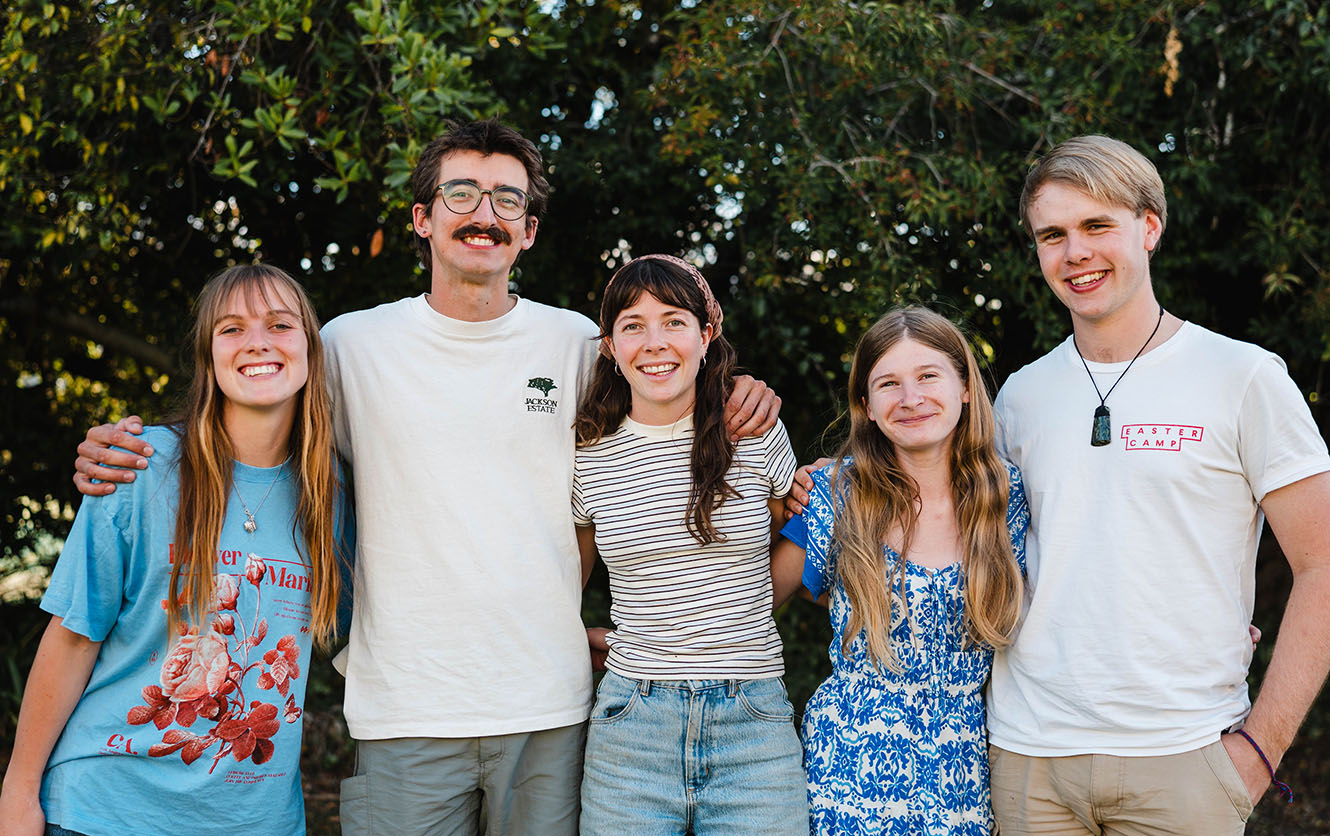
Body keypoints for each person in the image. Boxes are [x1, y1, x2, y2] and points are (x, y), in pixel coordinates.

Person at [69, 119, 780, 836]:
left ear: (528, 230)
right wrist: (147, 444)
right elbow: (257, 419)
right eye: (462, 193)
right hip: (403, 707)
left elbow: (667, 407)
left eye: (507, 201)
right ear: (423, 218)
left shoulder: (577, 345)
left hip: (546, 706)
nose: (484, 214)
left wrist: (742, 391)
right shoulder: (351, 344)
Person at [987, 134, 1330, 835]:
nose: (1074, 253)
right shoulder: (1020, 397)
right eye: (1052, 235)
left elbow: (1324, 564)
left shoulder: (1244, 378)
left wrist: (1258, 752)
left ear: (1149, 227)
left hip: (1184, 759)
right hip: (1029, 760)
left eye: (1095, 226)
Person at [0, 265, 350, 836]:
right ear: (208, 357)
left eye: (280, 324)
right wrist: (18, 791)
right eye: (231, 329)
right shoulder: (139, 468)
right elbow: (71, 637)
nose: (257, 341)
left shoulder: (329, 493)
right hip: (106, 809)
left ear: (311, 347)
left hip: (255, 822)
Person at [572, 254, 806, 835]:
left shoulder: (755, 432)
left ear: (706, 335)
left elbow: (798, 535)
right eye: (633, 325)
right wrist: (581, 639)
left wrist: (729, 622)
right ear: (609, 346)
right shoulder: (586, 454)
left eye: (674, 321)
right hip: (631, 726)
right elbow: (560, 586)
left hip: (754, 721)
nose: (655, 342)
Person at [771, 306, 1028, 835]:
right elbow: (754, 604)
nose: (911, 399)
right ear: (866, 405)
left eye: (928, 376)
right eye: (888, 383)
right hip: (847, 772)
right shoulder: (835, 494)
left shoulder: (1007, 496)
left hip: (967, 770)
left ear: (963, 386)